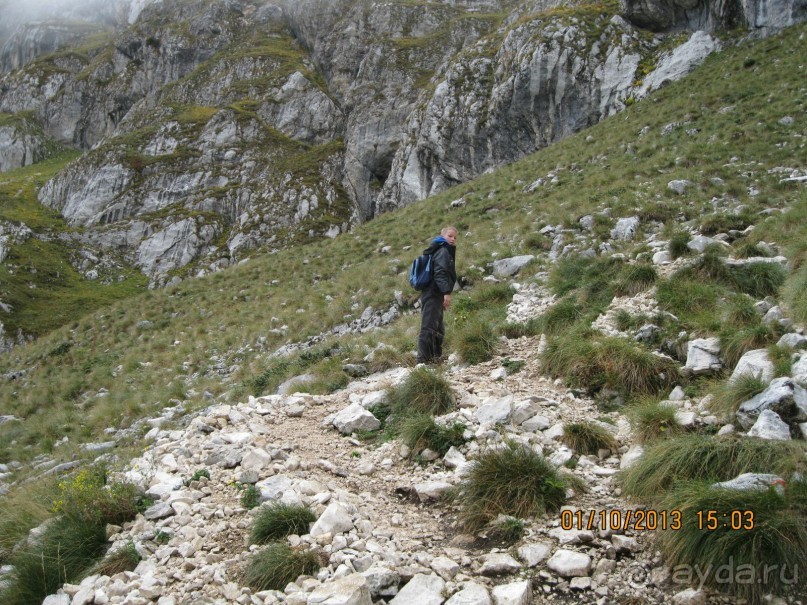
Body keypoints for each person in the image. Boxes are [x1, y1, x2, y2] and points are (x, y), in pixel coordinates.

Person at [417, 226, 458, 364]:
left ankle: (435, 358)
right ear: (442, 236)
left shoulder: (442, 250)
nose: (452, 239)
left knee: (438, 327)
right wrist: (446, 293)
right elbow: (440, 273)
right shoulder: (442, 251)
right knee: (428, 326)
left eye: (455, 237)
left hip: (436, 292)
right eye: (450, 236)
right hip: (434, 292)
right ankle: (422, 362)